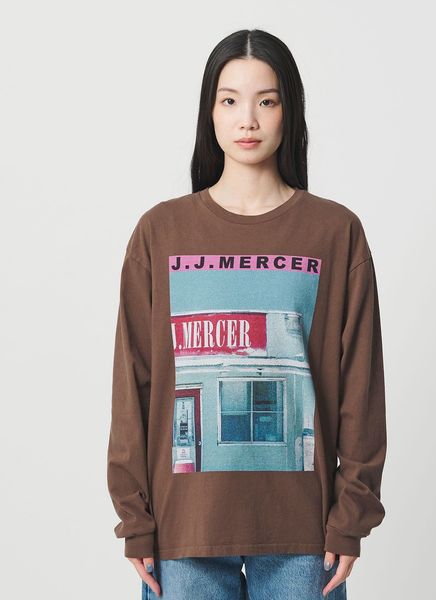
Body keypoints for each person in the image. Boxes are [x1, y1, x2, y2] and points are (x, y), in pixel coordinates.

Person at [107, 28, 387, 600]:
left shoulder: (335, 232)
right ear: (209, 112)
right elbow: (133, 384)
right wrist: (135, 519)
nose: (248, 120)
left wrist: (351, 515)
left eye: (267, 100)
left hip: (305, 535)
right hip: (183, 533)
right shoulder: (160, 232)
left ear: (289, 112)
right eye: (230, 100)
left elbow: (361, 388)